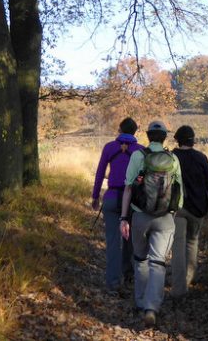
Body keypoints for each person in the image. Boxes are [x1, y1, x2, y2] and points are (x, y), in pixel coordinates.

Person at [119, 120, 183, 328]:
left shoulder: (139, 156)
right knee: (158, 262)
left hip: (140, 216)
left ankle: (140, 301)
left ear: (148, 136)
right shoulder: (173, 159)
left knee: (140, 259)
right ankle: (151, 307)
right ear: (165, 136)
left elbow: (128, 187)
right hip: (165, 218)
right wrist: (172, 212)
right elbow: (179, 191)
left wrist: (123, 218)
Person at [92, 117, 144, 294]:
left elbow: (100, 173)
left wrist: (95, 196)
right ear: (135, 131)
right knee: (130, 239)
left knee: (113, 241)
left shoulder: (109, 147)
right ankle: (128, 274)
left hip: (112, 197)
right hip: (133, 201)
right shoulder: (141, 150)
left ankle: (113, 282)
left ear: (120, 130)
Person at [170, 125, 208, 298]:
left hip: (177, 208)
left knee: (177, 247)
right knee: (192, 243)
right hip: (198, 209)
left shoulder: (172, 157)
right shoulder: (201, 157)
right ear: (193, 140)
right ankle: (187, 281)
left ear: (177, 140)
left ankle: (178, 289)